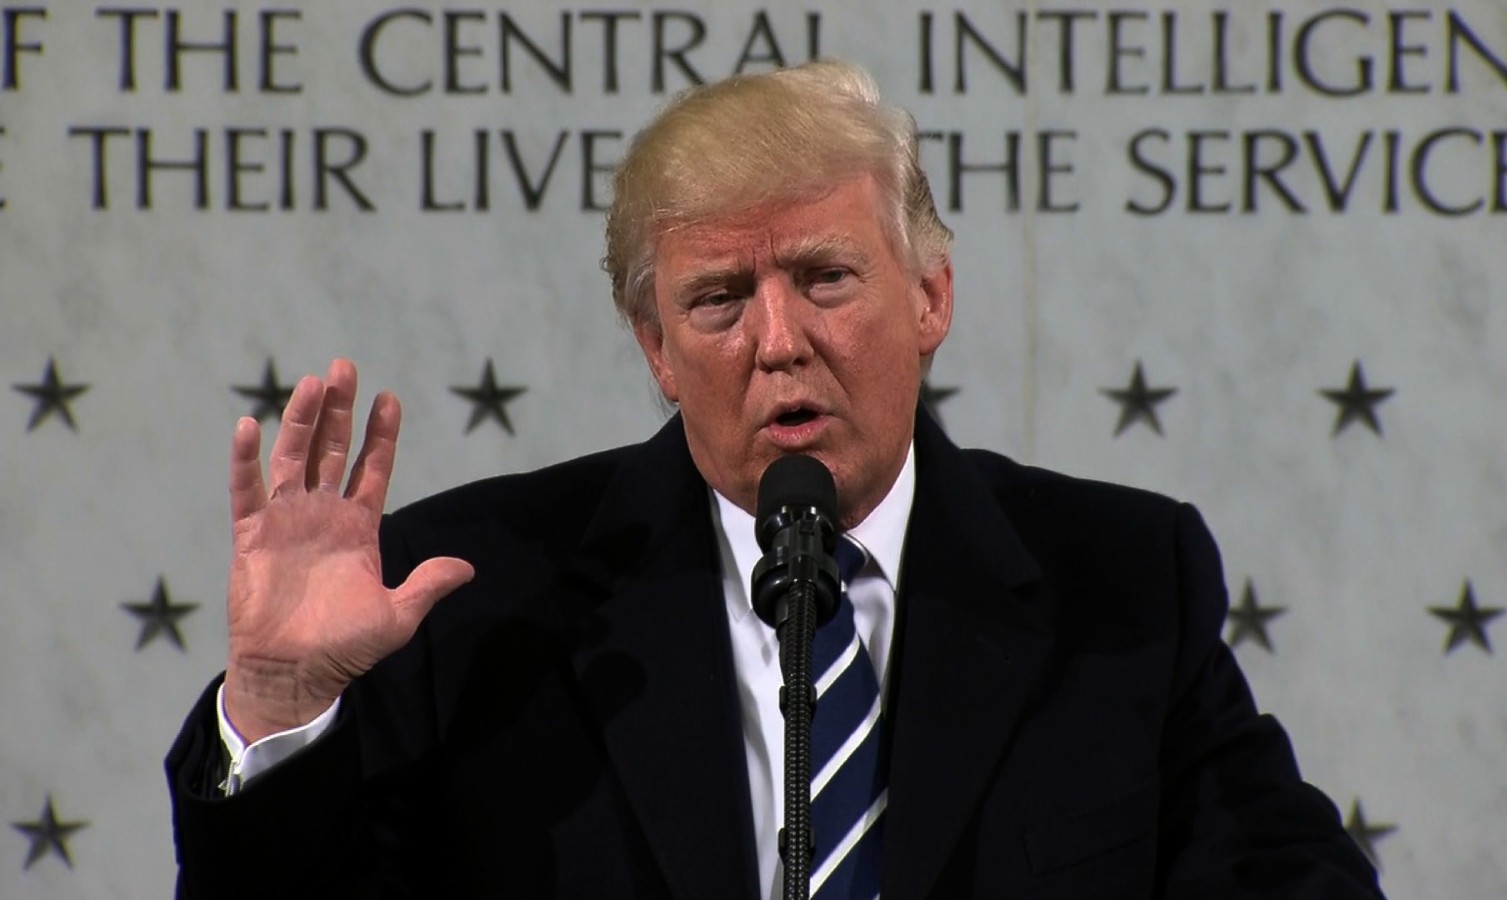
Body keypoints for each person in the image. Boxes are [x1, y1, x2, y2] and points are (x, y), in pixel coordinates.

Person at [165, 60, 1384, 899]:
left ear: (930, 298)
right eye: (717, 300)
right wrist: (276, 705)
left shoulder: (1117, 581)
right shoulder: (474, 597)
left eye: (825, 278)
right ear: (655, 350)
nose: (777, 340)